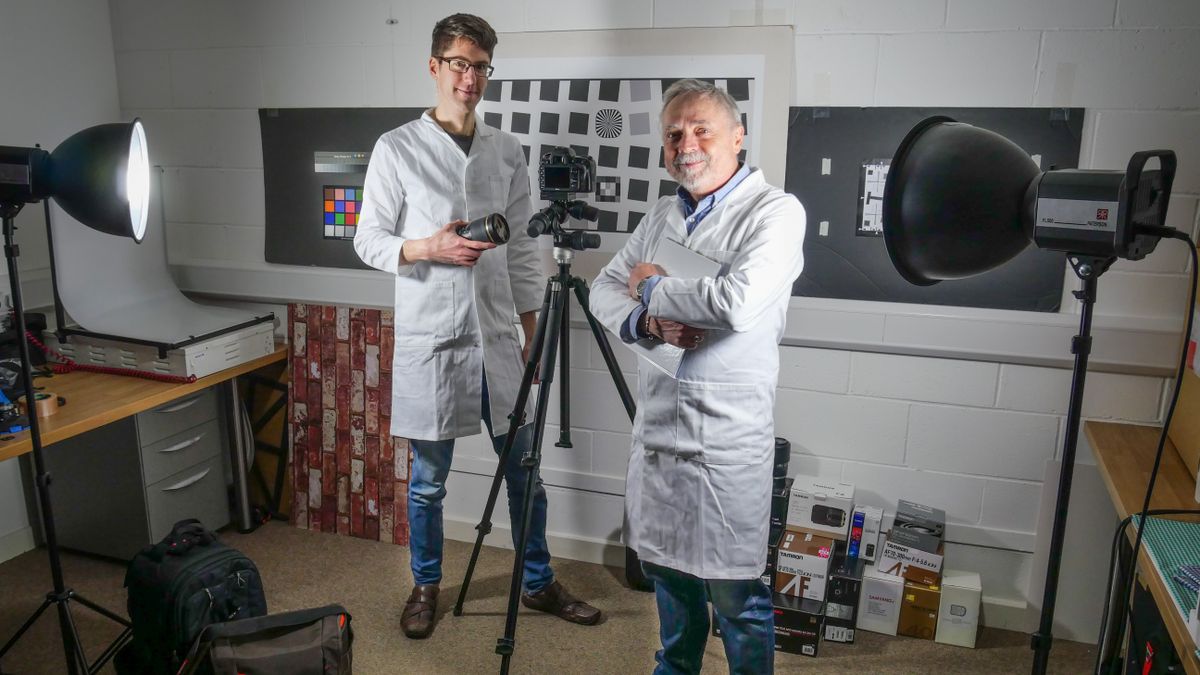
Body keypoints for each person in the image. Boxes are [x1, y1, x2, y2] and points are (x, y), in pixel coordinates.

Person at [353, 13, 602, 640]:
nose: (470, 77)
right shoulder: (398, 147)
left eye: (481, 66)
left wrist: (531, 334)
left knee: (524, 471)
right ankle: (425, 586)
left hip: (497, 339)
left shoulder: (505, 150)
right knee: (428, 484)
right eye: (459, 64)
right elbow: (368, 240)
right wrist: (426, 249)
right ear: (434, 66)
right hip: (433, 337)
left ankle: (539, 582)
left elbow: (521, 252)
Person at [589, 79, 806, 674]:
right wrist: (646, 320)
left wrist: (651, 285)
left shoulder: (777, 213)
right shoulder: (662, 213)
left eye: (701, 129)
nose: (686, 143)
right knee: (670, 583)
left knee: (737, 597)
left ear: (738, 137)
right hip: (659, 429)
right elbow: (602, 290)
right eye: (673, 134)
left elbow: (736, 300)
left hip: (726, 441)